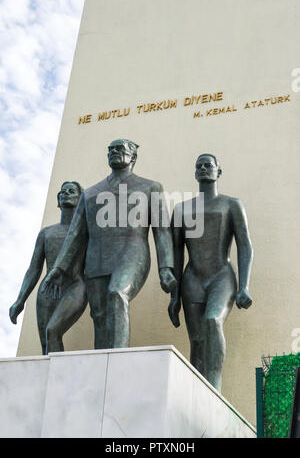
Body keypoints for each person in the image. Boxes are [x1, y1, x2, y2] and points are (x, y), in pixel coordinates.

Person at [43, 139, 176, 349]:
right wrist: (59, 268)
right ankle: (102, 370)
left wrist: (166, 268)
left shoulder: (150, 187)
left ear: (133, 156)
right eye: (111, 150)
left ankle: (117, 363)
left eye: (120, 149)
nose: (114, 152)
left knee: (117, 293)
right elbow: (75, 235)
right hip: (97, 257)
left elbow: (162, 230)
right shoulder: (90, 193)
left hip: (132, 252)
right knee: (99, 314)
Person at [168, 153, 253, 392]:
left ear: (218, 172)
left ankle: (213, 391)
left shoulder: (231, 204)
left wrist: (244, 286)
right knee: (196, 341)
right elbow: (176, 253)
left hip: (221, 276)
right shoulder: (182, 209)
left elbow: (245, 245)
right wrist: (174, 297)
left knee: (212, 321)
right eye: (199, 166)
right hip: (192, 279)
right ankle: (197, 394)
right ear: (195, 173)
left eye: (209, 165)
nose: (204, 168)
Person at [9, 181, 87, 355]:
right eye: (62, 192)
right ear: (58, 201)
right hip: (47, 290)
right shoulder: (46, 233)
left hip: (75, 286)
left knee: (53, 331)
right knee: (46, 341)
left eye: (71, 191)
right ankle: (52, 380)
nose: (66, 193)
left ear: (81, 199)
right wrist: (20, 300)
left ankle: (58, 379)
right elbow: (34, 268)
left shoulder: (86, 231)